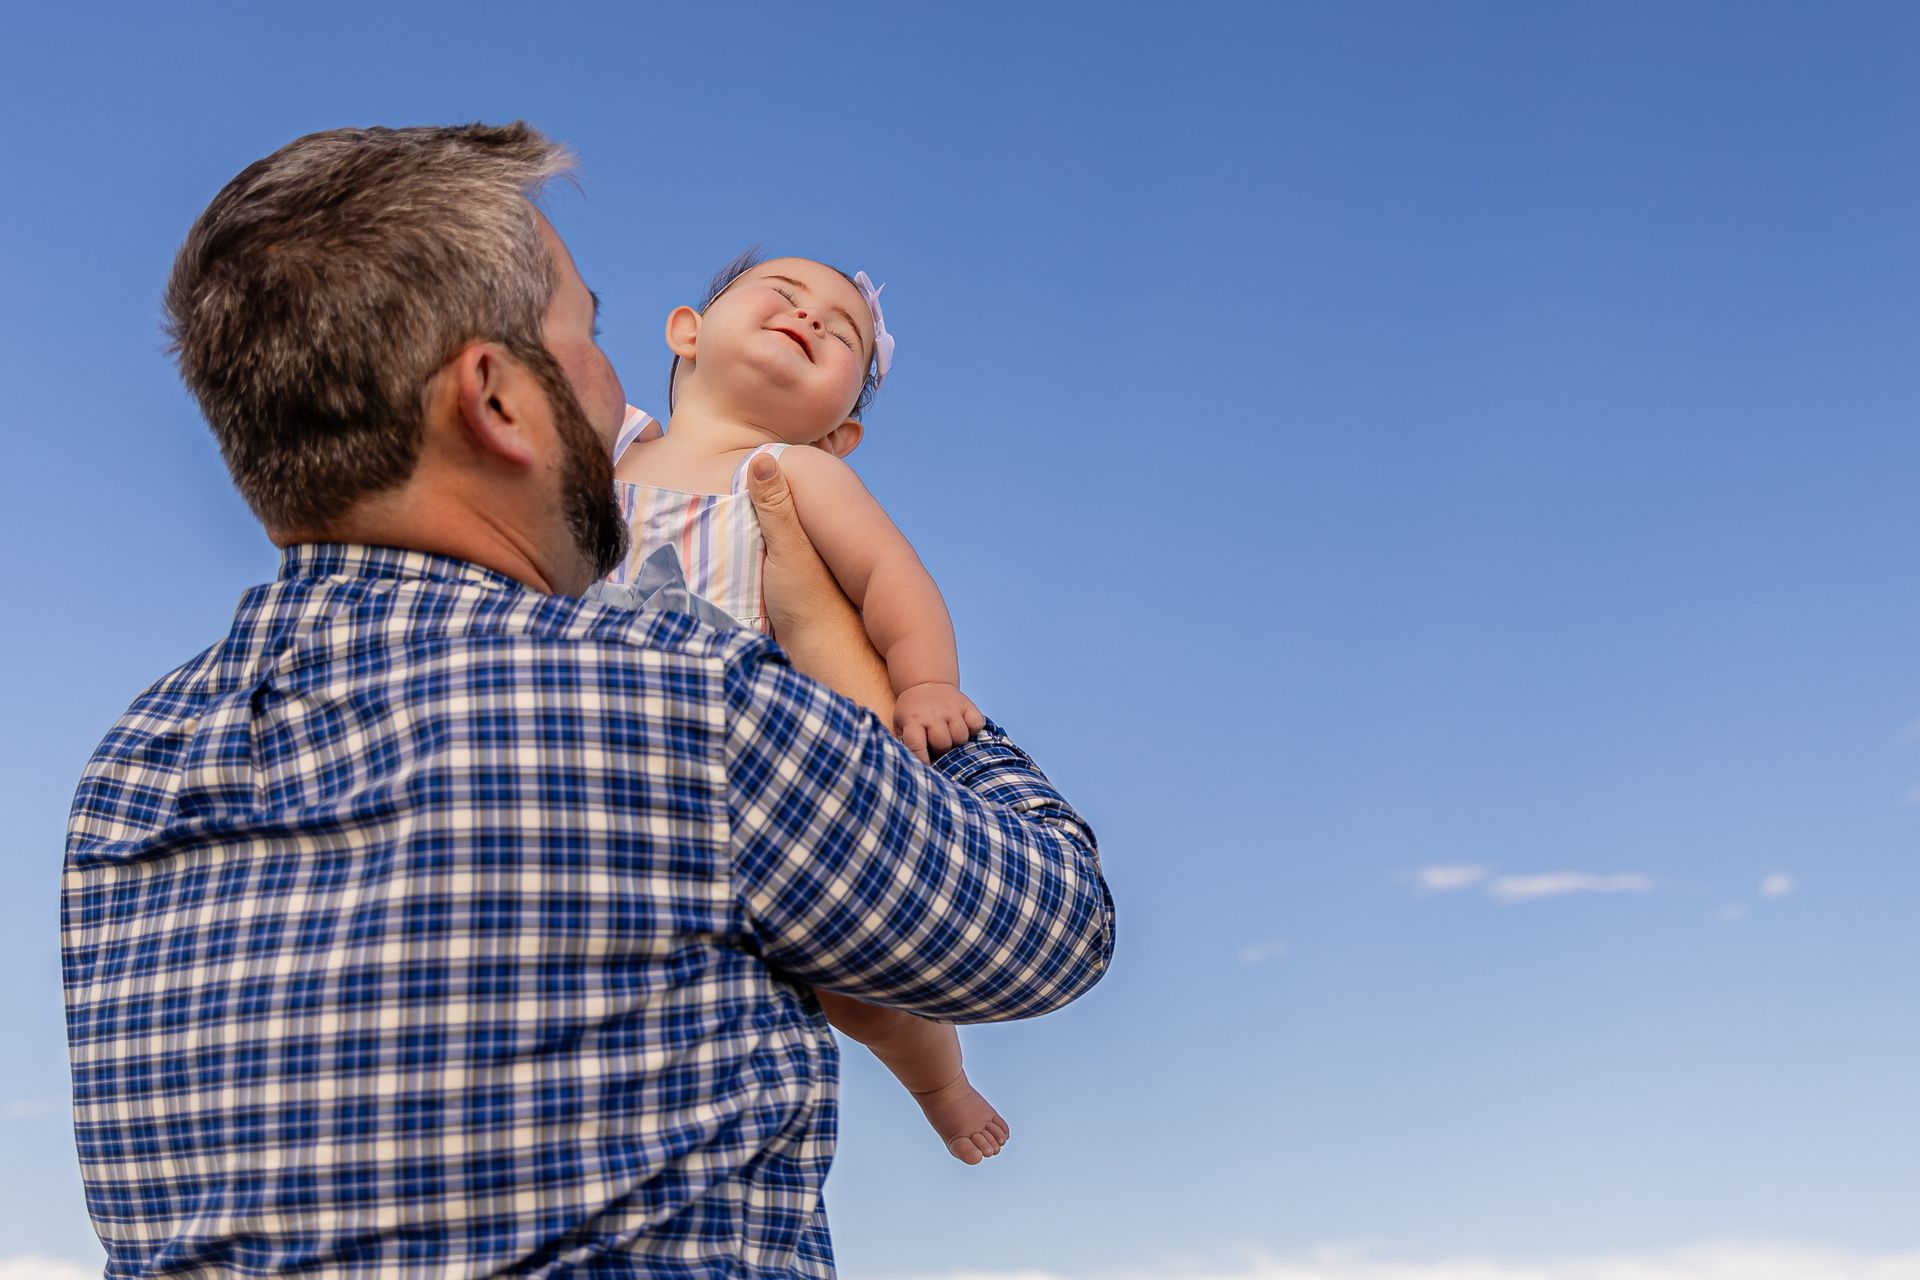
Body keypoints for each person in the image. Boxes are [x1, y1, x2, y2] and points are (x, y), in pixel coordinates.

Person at [60, 123, 1114, 1279]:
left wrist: (920, 680)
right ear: (497, 401)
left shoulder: (132, 771)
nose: (614, 391)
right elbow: (1053, 926)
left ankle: (939, 1082)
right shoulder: (683, 703)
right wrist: (832, 641)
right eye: (589, 338)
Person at [603, 252, 1004, 1166]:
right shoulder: (612, 444)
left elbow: (892, 579)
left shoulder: (792, 473)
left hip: (748, 777)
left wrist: (927, 683)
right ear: (686, 331)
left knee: (858, 977)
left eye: (843, 333)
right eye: (783, 296)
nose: (811, 317)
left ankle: (940, 1083)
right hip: (594, 754)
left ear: (841, 431)